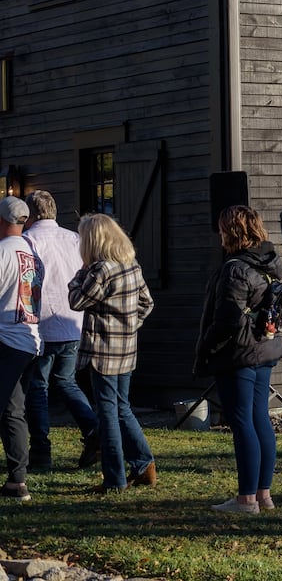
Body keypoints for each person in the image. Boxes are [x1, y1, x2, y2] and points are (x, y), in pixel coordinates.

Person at [193, 206, 282, 513]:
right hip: (264, 346)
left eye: (222, 229)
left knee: (242, 420)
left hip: (239, 352)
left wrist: (206, 347)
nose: (218, 234)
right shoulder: (270, 262)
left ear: (231, 232)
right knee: (260, 418)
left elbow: (227, 319)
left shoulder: (235, 268)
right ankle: (264, 494)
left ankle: (246, 498)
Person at [67, 213, 155, 494]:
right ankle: (143, 464)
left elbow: (77, 300)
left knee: (108, 413)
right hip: (126, 350)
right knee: (122, 407)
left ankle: (115, 479)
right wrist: (130, 326)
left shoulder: (100, 270)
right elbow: (147, 303)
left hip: (103, 352)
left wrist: (80, 273)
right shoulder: (130, 265)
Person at [22, 191, 99, 474]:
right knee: (66, 381)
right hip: (73, 321)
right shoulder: (74, 239)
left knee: (38, 388)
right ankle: (93, 429)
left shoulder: (28, 242)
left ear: (30, 215)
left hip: (41, 325)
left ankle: (41, 451)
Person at [0, 196, 42, 501]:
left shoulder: (1, 252)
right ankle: (17, 481)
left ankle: (18, 479)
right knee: (14, 411)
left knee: (11, 410)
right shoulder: (33, 253)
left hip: (4, 338)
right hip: (29, 339)